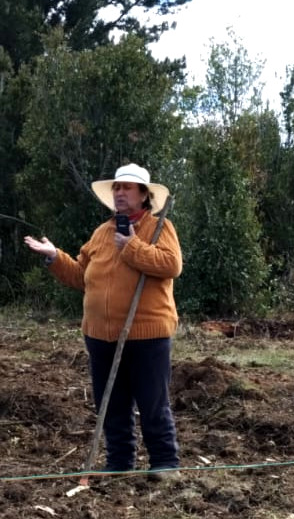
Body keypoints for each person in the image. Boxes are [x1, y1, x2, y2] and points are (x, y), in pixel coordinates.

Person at [24, 163, 183, 477]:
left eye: (126, 187)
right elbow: (82, 276)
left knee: (152, 402)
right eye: (117, 187)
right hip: (100, 335)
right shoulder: (101, 233)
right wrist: (54, 256)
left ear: (143, 195)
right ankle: (119, 464)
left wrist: (132, 247)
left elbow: (171, 265)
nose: (119, 193)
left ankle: (165, 464)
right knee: (111, 404)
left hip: (146, 334)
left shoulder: (159, 227)